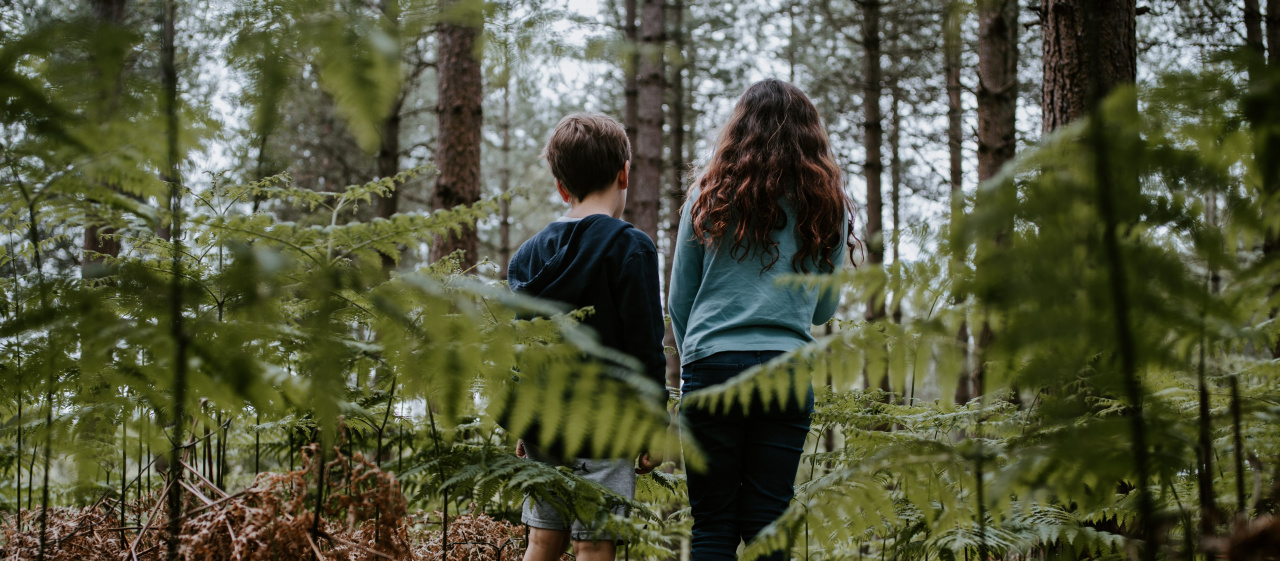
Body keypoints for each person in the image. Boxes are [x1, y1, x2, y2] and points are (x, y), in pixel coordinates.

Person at [669, 79, 854, 561]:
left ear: (738, 129)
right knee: (768, 524)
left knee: (712, 525)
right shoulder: (827, 205)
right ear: (811, 136)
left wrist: (701, 360)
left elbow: (679, 301)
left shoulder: (706, 198)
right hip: (785, 372)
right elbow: (823, 310)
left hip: (710, 368)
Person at [506, 112, 665, 561]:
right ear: (624, 173)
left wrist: (523, 421)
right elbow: (645, 346)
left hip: (543, 419)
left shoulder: (528, 255)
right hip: (608, 423)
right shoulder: (631, 247)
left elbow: (522, 344)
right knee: (595, 542)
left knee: (541, 539)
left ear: (561, 186)